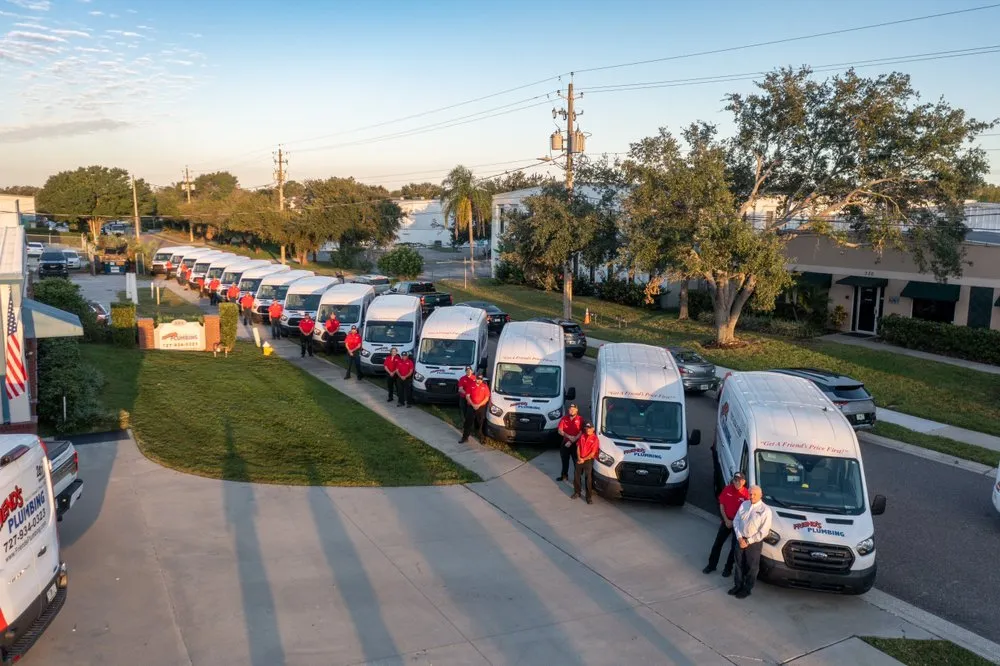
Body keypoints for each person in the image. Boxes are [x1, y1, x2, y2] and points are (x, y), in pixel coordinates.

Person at [730, 485, 773, 599]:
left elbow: (763, 531)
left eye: (755, 494)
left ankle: (747, 589)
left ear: (760, 495)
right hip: (740, 539)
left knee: (751, 566)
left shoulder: (766, 510)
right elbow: (736, 521)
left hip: (753, 543)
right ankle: (737, 585)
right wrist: (739, 538)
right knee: (738, 564)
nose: (752, 496)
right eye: (750, 494)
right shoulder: (744, 504)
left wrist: (748, 541)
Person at [703, 472, 749, 577]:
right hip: (726, 521)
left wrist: (734, 522)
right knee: (717, 544)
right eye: (736, 480)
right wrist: (726, 520)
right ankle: (711, 565)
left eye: (740, 480)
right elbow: (722, 505)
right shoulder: (727, 489)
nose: (737, 482)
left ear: (744, 482)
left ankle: (728, 569)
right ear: (733, 480)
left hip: (737, 524)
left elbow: (746, 513)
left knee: (733, 547)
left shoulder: (746, 494)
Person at [572, 422, 599, 504]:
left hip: (588, 460)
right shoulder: (582, 436)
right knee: (576, 476)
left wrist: (584, 459)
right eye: (586, 428)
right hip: (580, 459)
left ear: (593, 429)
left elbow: (593, 453)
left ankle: (588, 497)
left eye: (590, 428)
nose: (588, 429)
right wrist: (579, 457)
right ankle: (577, 492)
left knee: (588, 479)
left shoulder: (595, 439)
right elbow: (578, 447)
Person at [556, 404, 583, 482]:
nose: (571, 410)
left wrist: (572, 440)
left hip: (576, 444)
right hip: (565, 443)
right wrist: (569, 437)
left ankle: (577, 479)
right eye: (570, 409)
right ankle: (564, 476)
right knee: (564, 460)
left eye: (573, 409)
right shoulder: (564, 418)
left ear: (577, 410)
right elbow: (560, 431)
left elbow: (581, 432)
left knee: (576, 462)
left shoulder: (580, 419)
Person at [460, 374, 490, 443]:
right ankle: (465, 438)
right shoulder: (471, 385)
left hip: (481, 407)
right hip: (471, 406)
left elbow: (486, 398)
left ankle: (482, 438)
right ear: (476, 378)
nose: (479, 380)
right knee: (468, 422)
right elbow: (467, 396)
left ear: (482, 380)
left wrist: (479, 405)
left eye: (480, 379)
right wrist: (473, 405)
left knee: (481, 423)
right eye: (478, 379)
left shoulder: (485, 386)